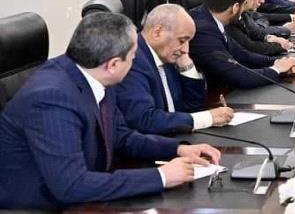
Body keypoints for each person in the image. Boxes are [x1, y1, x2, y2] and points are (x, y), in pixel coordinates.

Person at [0, 13, 220, 209]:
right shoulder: (52, 99)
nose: (135, 61)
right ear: (113, 64)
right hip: (44, 205)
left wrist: (177, 149)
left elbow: (121, 136)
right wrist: (161, 176)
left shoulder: (95, 74)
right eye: (133, 56)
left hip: (87, 193)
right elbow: (71, 185)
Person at [116, 4, 235, 135]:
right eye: (182, 41)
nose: (185, 49)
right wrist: (206, 118)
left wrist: (186, 66)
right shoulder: (132, 61)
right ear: (157, 32)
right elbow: (144, 120)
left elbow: (193, 106)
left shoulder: (165, 54)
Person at [189, 0, 295, 90]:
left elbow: (242, 54)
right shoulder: (204, 31)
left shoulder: (212, 17)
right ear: (235, 7)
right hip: (214, 94)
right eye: (243, 6)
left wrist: (277, 62)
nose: (243, 12)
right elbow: (239, 77)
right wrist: (276, 70)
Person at [224, 0, 294, 55]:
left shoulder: (243, 14)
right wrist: (279, 46)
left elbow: (257, 32)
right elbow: (251, 48)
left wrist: (268, 38)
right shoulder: (229, 19)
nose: (263, 0)